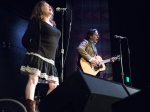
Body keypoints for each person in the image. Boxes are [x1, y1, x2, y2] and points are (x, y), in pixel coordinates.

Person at [20, 1, 61, 112]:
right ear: (40, 9)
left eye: (49, 6)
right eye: (46, 6)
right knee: (33, 80)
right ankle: (30, 109)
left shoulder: (53, 24)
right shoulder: (37, 21)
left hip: (50, 59)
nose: (49, 7)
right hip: (38, 55)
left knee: (54, 86)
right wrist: (33, 50)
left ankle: (43, 107)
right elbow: (25, 39)